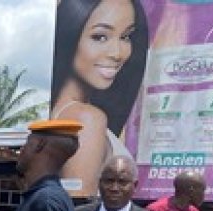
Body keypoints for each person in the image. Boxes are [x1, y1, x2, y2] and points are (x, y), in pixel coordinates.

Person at [51, 0, 148, 197]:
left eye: (126, 36)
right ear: (70, 34)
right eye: (100, 37)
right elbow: (79, 206)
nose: (117, 53)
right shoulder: (87, 119)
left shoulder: (66, 113)